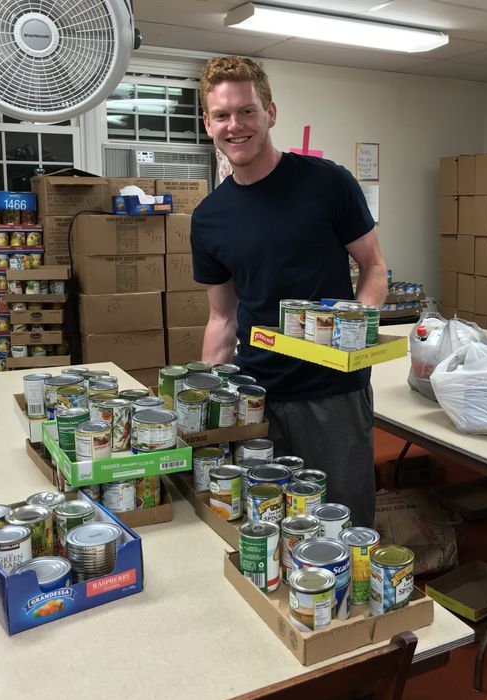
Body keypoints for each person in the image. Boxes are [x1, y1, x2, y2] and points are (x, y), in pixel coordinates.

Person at [191, 56, 388, 527]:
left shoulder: (327, 183)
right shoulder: (209, 218)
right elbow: (222, 318)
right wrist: (201, 400)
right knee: (265, 523)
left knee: (344, 521)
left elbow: (374, 267)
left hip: (332, 392)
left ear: (270, 113)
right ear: (207, 123)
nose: (234, 125)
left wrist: (357, 328)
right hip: (257, 393)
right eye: (222, 115)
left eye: (247, 111)